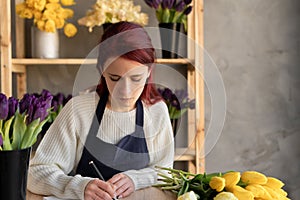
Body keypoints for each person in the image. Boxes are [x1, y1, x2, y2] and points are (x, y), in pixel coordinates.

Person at [28, 22, 174, 200]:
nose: (125, 91)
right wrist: (80, 187)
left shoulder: (157, 112)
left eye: (136, 78)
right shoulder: (78, 110)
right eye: (115, 78)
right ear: (102, 70)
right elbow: (35, 173)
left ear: (149, 71)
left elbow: (166, 173)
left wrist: (135, 179)